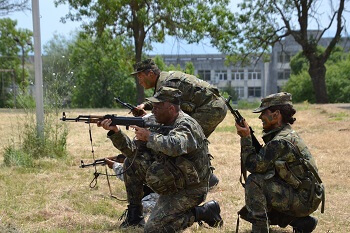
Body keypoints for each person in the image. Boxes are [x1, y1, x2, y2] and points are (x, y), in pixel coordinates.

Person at [98, 87, 223, 232]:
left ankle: (203, 212)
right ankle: (135, 216)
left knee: (154, 229)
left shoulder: (187, 125)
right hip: (170, 178)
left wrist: (149, 137)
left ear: (171, 108)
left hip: (190, 188)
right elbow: (133, 152)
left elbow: (175, 146)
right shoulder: (157, 121)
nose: (154, 109)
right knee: (132, 163)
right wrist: (116, 132)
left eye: (158, 106)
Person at [234, 92, 325, 233]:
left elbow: (253, 166)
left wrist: (246, 138)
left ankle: (260, 230)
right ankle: (301, 222)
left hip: (303, 200)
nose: (260, 117)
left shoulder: (280, 141)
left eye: (264, 113)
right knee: (265, 182)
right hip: (306, 196)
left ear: (276, 114)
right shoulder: (285, 133)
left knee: (255, 182)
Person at [131, 58, 228, 187]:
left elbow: (167, 104)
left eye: (141, 77)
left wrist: (147, 118)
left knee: (188, 138)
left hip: (210, 108)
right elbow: (164, 100)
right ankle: (204, 177)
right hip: (213, 105)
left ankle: (206, 178)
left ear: (151, 74)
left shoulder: (166, 84)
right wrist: (144, 105)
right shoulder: (165, 80)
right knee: (186, 138)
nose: (139, 81)